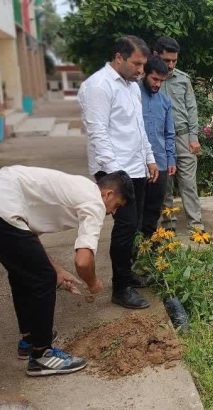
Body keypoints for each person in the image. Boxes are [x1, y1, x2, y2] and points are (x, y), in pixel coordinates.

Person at [0, 166, 132, 376]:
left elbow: (28, 238)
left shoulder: (77, 188)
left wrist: (58, 271)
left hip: (6, 200)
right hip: (6, 207)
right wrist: (93, 283)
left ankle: (29, 340)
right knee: (43, 278)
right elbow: (83, 261)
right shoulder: (95, 202)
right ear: (108, 194)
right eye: (116, 206)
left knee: (24, 272)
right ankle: (42, 355)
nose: (112, 212)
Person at [78, 35, 157, 309]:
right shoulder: (98, 86)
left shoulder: (132, 86)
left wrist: (149, 158)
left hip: (135, 168)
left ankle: (127, 274)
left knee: (133, 226)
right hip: (115, 172)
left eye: (143, 65)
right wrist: (115, 178)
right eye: (136, 64)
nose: (141, 71)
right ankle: (120, 288)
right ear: (119, 57)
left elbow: (138, 127)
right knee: (124, 229)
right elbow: (98, 132)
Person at [154, 37, 204, 234]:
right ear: (156, 55)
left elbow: (192, 109)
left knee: (188, 183)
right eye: (167, 61)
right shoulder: (147, 81)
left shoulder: (183, 79)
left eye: (175, 60)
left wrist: (194, 137)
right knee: (164, 185)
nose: (171, 65)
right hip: (159, 140)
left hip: (183, 138)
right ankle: (168, 226)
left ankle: (196, 225)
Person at [139, 55, 177, 238]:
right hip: (137, 164)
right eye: (154, 79)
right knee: (136, 211)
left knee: (154, 211)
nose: (157, 84)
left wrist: (171, 159)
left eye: (161, 81)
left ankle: (149, 249)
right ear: (145, 73)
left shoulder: (165, 101)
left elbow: (169, 133)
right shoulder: (133, 95)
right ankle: (134, 250)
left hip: (160, 162)